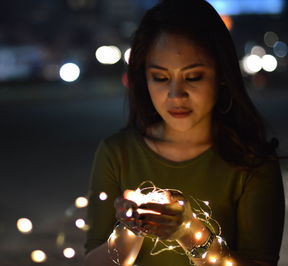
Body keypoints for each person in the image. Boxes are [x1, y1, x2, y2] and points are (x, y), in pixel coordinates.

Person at [83, 0, 285, 265]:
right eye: (161, 77)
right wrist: (130, 230)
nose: (176, 95)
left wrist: (190, 232)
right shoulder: (117, 154)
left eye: (193, 77)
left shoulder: (252, 165)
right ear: (144, 78)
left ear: (222, 73)